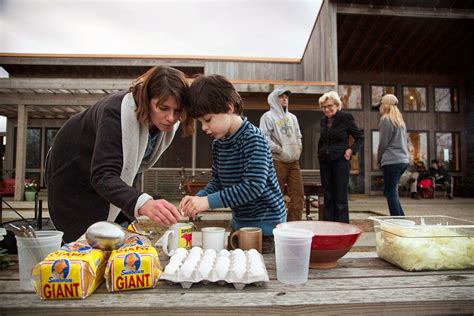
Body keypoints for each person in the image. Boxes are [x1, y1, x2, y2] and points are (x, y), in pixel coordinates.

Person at [45, 66, 192, 242]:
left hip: (104, 183)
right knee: (85, 248)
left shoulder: (163, 125)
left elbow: (131, 168)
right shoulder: (115, 112)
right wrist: (143, 202)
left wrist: (134, 207)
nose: (171, 118)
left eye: (177, 111)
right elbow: (103, 175)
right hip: (73, 178)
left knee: (122, 242)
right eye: (163, 108)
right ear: (146, 99)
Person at [179, 74, 286, 253]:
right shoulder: (219, 143)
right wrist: (199, 198)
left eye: (208, 119)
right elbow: (219, 182)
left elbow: (253, 187)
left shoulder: (254, 139)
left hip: (266, 230)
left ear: (228, 107)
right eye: (200, 122)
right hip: (239, 225)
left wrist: (208, 202)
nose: (204, 127)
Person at [317, 91, 364, 223]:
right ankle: (329, 227)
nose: (327, 109)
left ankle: (342, 228)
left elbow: (360, 137)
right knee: (328, 196)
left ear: (337, 105)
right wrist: (319, 154)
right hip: (325, 163)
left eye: (330, 106)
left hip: (340, 162)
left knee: (340, 197)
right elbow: (322, 141)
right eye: (324, 107)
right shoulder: (323, 121)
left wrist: (351, 150)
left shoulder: (346, 118)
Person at [259, 88, 304, 222]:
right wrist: (278, 149)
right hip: (277, 161)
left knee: (298, 195)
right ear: (274, 98)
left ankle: (293, 225)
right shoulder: (268, 116)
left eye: (286, 97)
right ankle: (275, 224)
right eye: (281, 96)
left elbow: (299, 135)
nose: (285, 99)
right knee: (275, 194)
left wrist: (298, 148)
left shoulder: (293, 118)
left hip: (294, 162)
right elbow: (263, 137)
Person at [374, 94, 410, 216]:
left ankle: (398, 221)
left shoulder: (385, 119)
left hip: (391, 161)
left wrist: (378, 159)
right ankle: (401, 218)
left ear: (385, 105)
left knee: (390, 192)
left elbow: (383, 143)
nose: (379, 108)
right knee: (391, 191)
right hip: (403, 161)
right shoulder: (400, 122)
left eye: (380, 105)